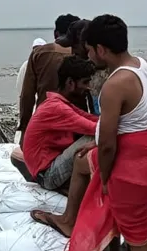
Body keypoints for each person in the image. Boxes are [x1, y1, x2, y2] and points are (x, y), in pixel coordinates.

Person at [44, 14, 147, 251]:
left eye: (90, 50)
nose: (88, 55)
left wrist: (106, 178)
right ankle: (76, 225)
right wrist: (95, 150)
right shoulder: (142, 66)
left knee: (138, 237)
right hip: (146, 151)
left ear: (100, 49)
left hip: (130, 162)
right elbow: (138, 118)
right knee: (87, 165)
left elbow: (110, 143)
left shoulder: (115, 84)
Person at [22, 56, 99, 193]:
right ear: (70, 82)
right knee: (96, 137)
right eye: (85, 82)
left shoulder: (60, 103)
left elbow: (89, 118)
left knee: (102, 133)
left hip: (48, 167)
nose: (87, 88)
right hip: (47, 175)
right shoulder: (57, 108)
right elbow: (95, 128)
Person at [18, 14, 81, 135]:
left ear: (55, 33)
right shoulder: (84, 55)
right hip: (75, 123)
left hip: (45, 120)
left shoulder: (39, 53)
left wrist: (24, 126)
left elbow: (27, 94)